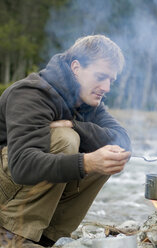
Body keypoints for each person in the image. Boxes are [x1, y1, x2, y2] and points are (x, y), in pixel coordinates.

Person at [0, 35, 132, 247]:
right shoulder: (31, 94)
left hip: (20, 191)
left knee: (109, 152)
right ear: (76, 68)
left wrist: (75, 125)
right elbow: (22, 165)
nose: (106, 87)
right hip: (5, 195)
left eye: (111, 80)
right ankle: (9, 236)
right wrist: (87, 162)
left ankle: (47, 237)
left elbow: (123, 142)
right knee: (65, 140)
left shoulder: (88, 101)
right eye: (100, 77)